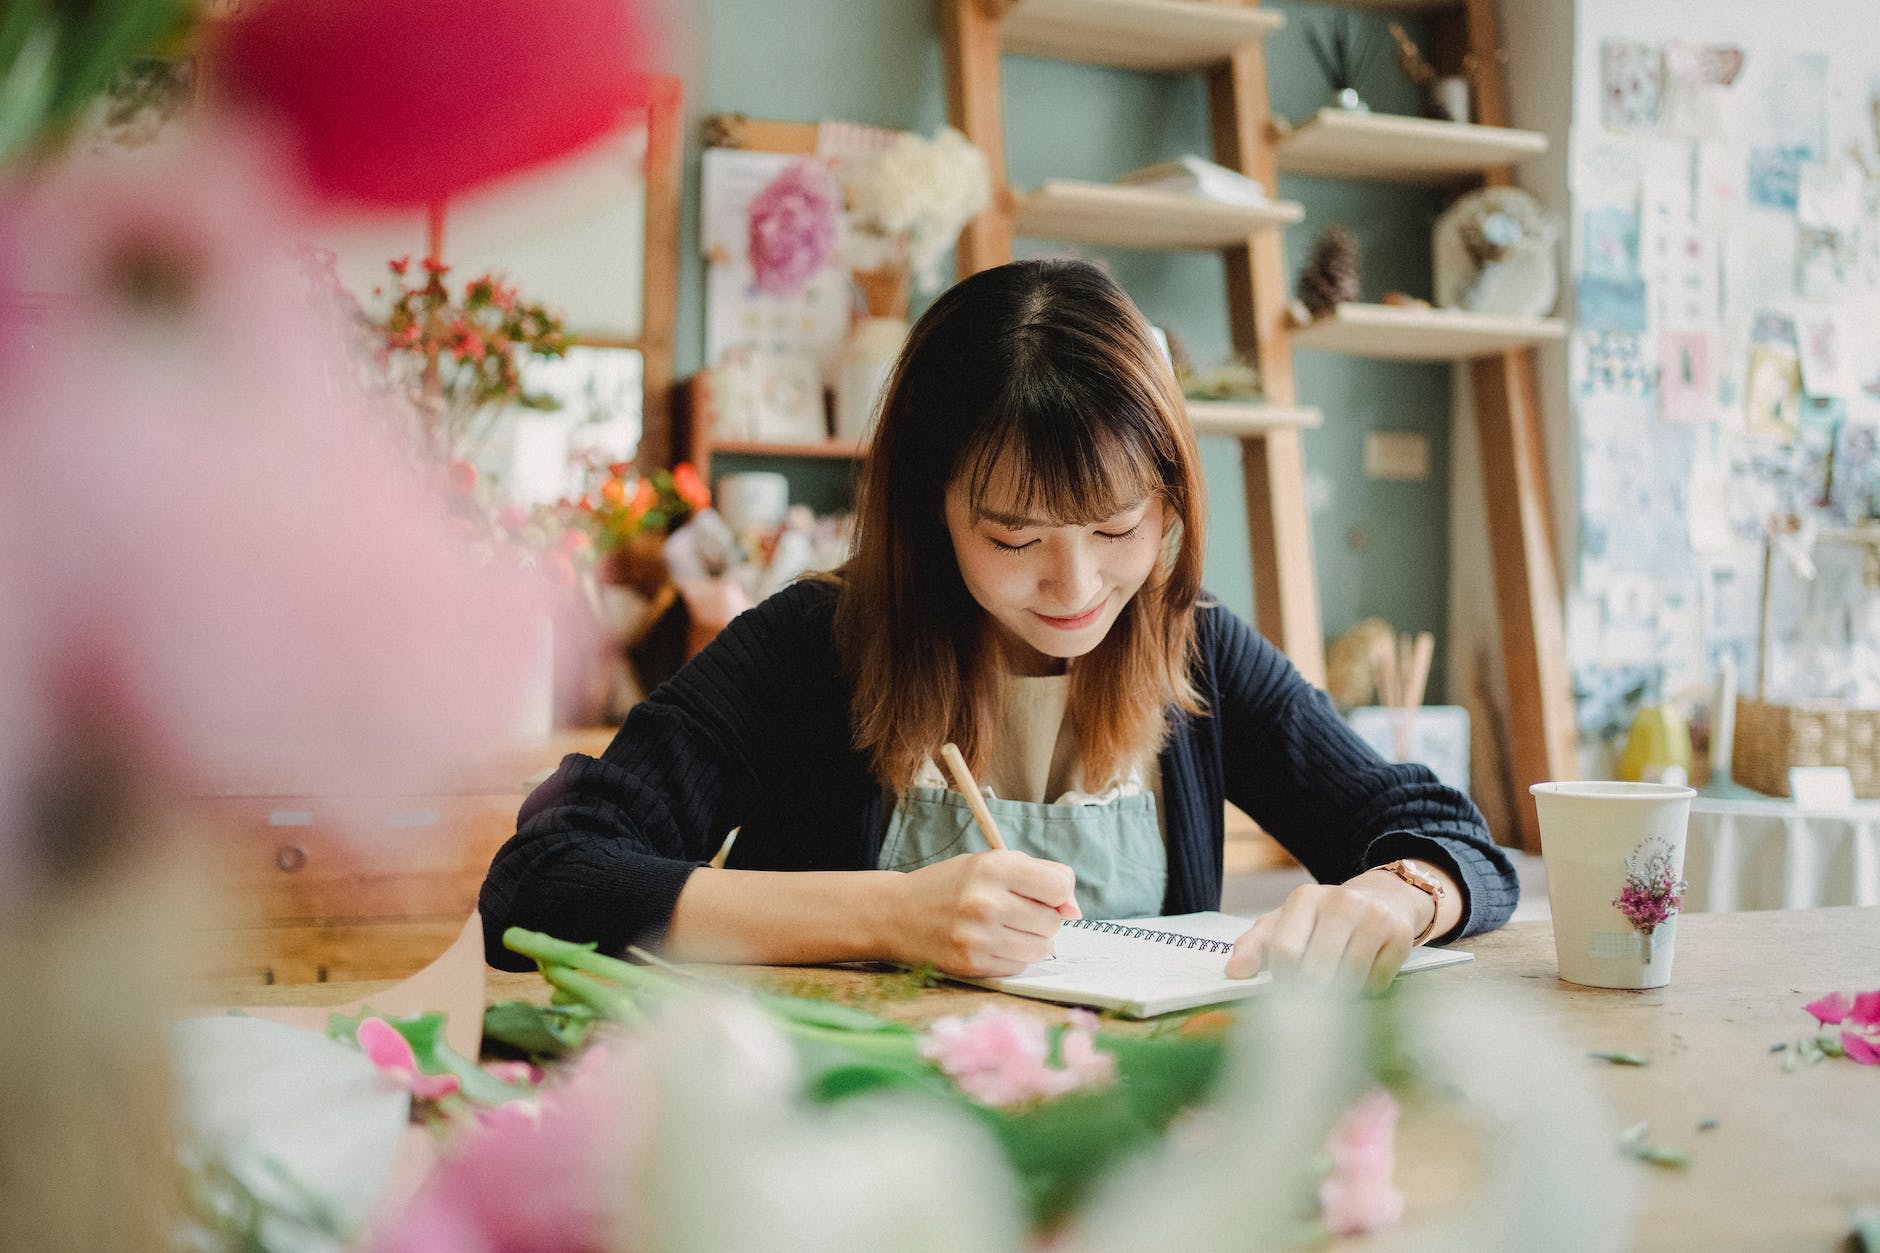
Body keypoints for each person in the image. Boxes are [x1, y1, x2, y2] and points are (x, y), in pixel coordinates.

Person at [481, 259, 1517, 992]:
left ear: (1170, 501)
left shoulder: (1188, 646)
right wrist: (886, 915)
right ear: (932, 509)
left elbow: (1449, 836)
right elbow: (539, 884)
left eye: (1116, 527)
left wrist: (1397, 895)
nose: (1074, 585)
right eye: (1011, 537)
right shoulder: (813, 644)